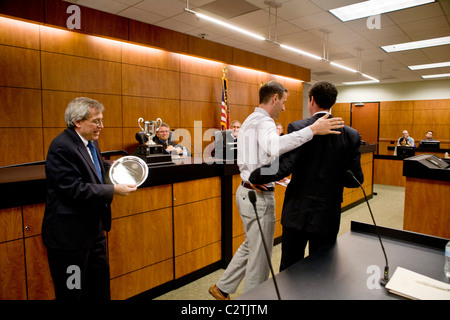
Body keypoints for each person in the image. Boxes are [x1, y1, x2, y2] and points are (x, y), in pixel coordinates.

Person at [208, 80, 344, 300]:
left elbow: (262, 157)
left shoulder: (250, 120)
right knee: (260, 257)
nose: (283, 108)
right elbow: (274, 146)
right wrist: (312, 130)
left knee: (252, 244)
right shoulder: (265, 122)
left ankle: (222, 287)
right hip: (258, 196)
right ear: (274, 98)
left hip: (247, 191)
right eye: (283, 102)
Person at [248, 81, 364, 271]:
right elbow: (355, 180)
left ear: (312, 100)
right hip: (328, 214)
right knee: (322, 270)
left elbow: (282, 168)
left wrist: (253, 176)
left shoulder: (299, 127)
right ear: (332, 102)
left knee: (290, 269)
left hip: (297, 213)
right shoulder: (351, 135)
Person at [42, 97, 137, 300]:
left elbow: (97, 168)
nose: (101, 126)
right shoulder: (62, 146)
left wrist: (123, 169)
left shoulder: (90, 142)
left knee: (99, 287)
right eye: (96, 121)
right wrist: (113, 190)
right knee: (73, 292)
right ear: (77, 121)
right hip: (70, 241)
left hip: (94, 232)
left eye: (101, 120)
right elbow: (74, 188)